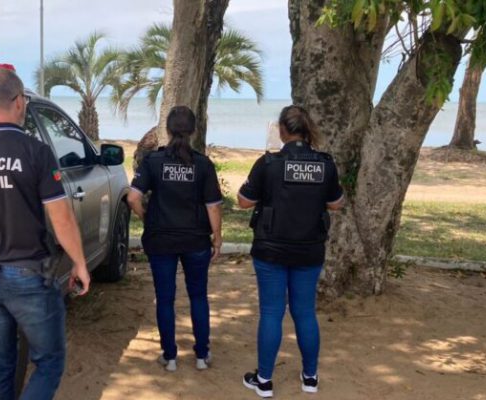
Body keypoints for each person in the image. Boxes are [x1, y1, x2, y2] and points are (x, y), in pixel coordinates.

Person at [0, 69, 90, 400]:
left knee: (0, 364)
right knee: (49, 362)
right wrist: (80, 263)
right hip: (29, 275)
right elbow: (61, 217)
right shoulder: (35, 151)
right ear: (19, 102)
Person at [237, 105, 344, 398]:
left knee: (272, 312)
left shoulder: (268, 163)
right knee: (305, 312)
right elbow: (336, 203)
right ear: (307, 129)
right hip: (309, 250)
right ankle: (310, 378)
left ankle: (264, 381)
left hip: (270, 250)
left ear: (282, 130)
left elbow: (244, 201)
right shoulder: (325, 164)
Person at [127, 106, 223, 372]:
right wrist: (217, 238)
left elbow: (133, 198)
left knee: (165, 298)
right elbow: (213, 206)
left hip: (161, 239)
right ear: (193, 131)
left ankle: (169, 357)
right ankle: (202, 355)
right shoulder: (202, 164)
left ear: (167, 130)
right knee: (198, 296)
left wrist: (146, 217)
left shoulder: (153, 161)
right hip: (196, 240)